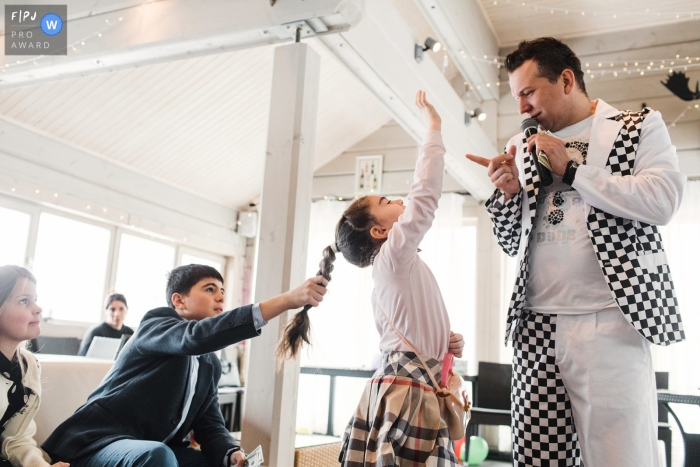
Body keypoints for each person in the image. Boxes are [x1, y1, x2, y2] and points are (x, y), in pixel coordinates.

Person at [466, 37, 685, 467]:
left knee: (620, 456)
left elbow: (662, 201)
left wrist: (573, 170)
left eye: (528, 93)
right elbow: (512, 244)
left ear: (566, 80)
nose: (522, 107)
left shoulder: (636, 125)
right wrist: (508, 195)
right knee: (537, 459)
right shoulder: (521, 143)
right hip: (535, 327)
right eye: (516, 97)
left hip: (611, 321)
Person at [279, 91, 465, 466]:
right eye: (387, 203)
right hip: (407, 392)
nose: (399, 201)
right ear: (381, 232)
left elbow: (409, 326)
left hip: (413, 385)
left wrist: (444, 340)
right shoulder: (393, 259)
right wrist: (433, 127)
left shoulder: (398, 267)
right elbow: (424, 196)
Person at [42, 264, 328, 467]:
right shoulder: (154, 326)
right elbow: (194, 338)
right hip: (97, 445)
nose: (220, 297)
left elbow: (210, 425)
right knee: (157, 455)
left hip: (155, 452)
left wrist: (231, 453)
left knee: (208, 461)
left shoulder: (209, 364)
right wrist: (287, 300)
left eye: (222, 291)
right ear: (178, 301)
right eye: (209, 289)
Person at [0, 265, 68, 467]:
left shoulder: (28, 365)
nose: (38, 308)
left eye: (35, 299)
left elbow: (17, 440)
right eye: (23, 301)